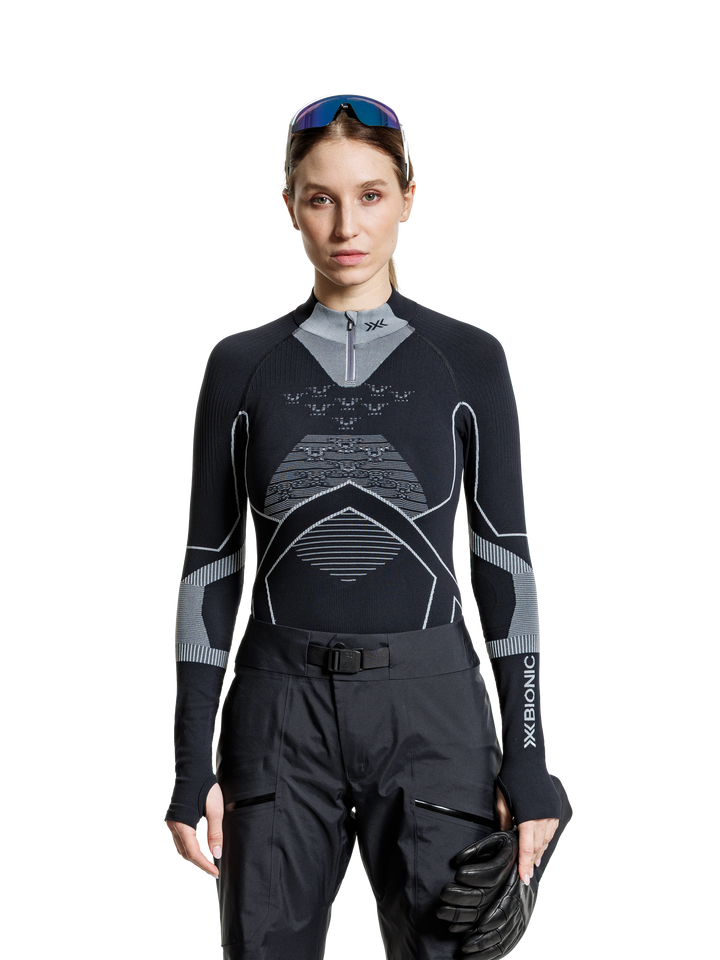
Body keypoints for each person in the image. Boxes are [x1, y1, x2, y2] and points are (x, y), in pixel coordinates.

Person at [163, 91, 566, 960]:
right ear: (288, 204)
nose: (347, 225)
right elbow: (209, 566)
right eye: (320, 198)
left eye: (371, 195)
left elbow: (505, 562)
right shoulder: (238, 364)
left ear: (409, 196)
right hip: (278, 711)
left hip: (433, 710)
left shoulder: (471, 358)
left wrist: (530, 762)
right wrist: (191, 763)